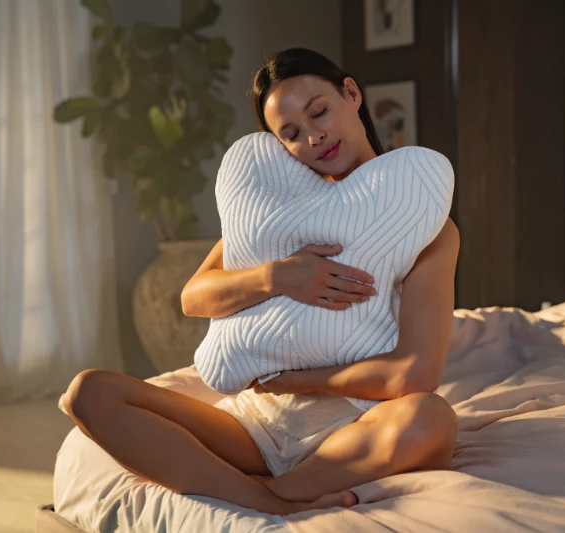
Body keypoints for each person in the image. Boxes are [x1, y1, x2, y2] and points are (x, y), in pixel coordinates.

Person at [62, 47, 459, 516]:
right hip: (254, 430)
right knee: (88, 393)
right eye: (290, 134)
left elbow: (414, 374)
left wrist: (301, 380)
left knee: (430, 418)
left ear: (351, 94)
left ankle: (274, 493)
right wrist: (279, 276)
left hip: (358, 426)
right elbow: (194, 297)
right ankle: (264, 496)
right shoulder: (278, 212)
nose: (314, 137)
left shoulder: (424, 219)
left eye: (319, 111)